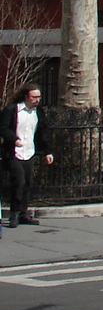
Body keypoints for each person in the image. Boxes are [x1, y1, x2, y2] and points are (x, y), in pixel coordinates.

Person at [1, 83, 53, 230]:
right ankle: (14, 214)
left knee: (27, 183)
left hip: (29, 152)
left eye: (38, 97)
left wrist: (47, 152)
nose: (36, 100)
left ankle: (24, 213)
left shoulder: (38, 112)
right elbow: (3, 127)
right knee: (19, 181)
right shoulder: (12, 110)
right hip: (14, 153)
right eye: (33, 97)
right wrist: (13, 139)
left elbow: (42, 132)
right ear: (25, 97)